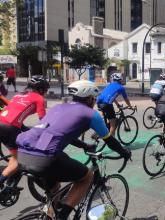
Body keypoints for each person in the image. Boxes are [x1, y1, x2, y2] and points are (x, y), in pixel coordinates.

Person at [16, 80, 131, 220]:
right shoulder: (91, 114)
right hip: (46, 158)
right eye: (93, 99)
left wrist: (84, 146)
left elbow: (58, 133)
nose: (94, 102)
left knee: (55, 188)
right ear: (89, 99)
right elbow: (109, 140)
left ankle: (50, 214)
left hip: (22, 155)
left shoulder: (58, 107)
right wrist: (124, 152)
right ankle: (62, 217)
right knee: (87, 177)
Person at [0, 75, 49, 188]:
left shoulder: (18, 96)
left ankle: (10, 185)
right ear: (41, 89)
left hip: (3, 122)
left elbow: (13, 112)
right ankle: (2, 180)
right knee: (18, 160)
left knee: (14, 151)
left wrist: (26, 129)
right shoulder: (39, 98)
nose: (46, 93)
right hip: (9, 127)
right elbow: (44, 121)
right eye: (45, 90)